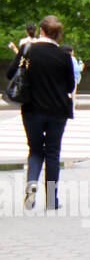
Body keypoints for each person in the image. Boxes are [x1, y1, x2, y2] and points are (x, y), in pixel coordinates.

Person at [4, 14, 75, 211]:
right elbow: (70, 85)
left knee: (35, 149)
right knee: (52, 152)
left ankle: (31, 186)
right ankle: (52, 199)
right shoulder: (63, 56)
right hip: (57, 111)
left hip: (32, 109)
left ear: (41, 30)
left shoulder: (29, 51)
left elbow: (11, 73)